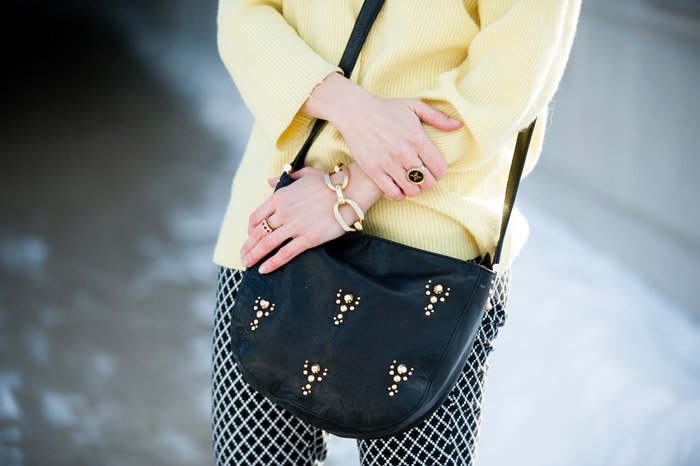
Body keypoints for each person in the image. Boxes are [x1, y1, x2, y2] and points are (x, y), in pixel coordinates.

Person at [211, 1, 580, 464]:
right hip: (278, 229)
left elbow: (514, 69)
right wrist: (347, 105)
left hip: (427, 256)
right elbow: (244, 13)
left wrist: (349, 189)